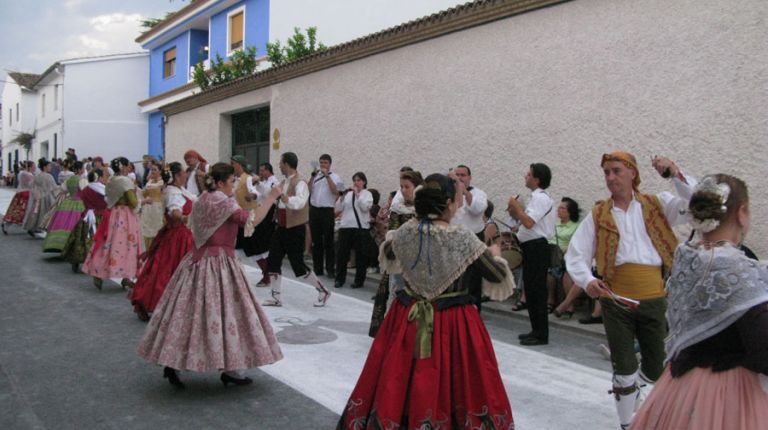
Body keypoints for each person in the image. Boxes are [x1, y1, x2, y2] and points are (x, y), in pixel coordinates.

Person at [337, 173, 515, 429]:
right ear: (449, 204)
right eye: (455, 200)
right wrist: (496, 254)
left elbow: (387, 254)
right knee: (458, 381)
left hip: (407, 318)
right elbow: (498, 275)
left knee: (398, 379)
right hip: (453, 323)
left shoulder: (404, 233)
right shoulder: (462, 238)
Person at [566, 152, 695, 429]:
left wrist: (674, 172)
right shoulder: (599, 213)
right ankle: (627, 423)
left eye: (616, 171)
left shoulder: (657, 204)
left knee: (658, 367)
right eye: (606, 173)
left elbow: (696, 203)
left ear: (633, 173)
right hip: (616, 301)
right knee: (623, 367)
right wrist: (587, 280)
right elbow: (576, 254)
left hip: (655, 298)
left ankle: (634, 388)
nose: (610, 178)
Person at [630, 174, 768, 429]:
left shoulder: (687, 258)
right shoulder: (737, 271)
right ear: (742, 213)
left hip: (678, 388)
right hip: (728, 393)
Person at [137, 162, 283, 389]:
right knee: (229, 314)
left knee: (187, 314)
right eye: (232, 181)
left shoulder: (203, 198)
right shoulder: (223, 201)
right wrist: (272, 197)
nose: (234, 185)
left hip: (196, 260)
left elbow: (193, 223)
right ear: (222, 182)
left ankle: (173, 362)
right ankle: (231, 369)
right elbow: (250, 220)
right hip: (219, 264)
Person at [130, 162, 196, 322]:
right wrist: (189, 218)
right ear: (177, 176)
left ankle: (173, 304)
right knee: (169, 270)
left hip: (178, 234)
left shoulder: (177, 189)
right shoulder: (173, 192)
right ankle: (158, 302)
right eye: (183, 173)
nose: (185, 175)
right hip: (179, 236)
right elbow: (175, 213)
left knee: (164, 269)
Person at [263, 152, 331, 308]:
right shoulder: (284, 182)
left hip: (295, 228)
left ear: (286, 164)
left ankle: (323, 291)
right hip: (281, 227)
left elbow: (299, 203)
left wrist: (284, 198)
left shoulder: (300, 183)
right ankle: (276, 297)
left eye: (281, 163)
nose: (279, 165)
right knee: (273, 260)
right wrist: (258, 189)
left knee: (298, 266)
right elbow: (270, 194)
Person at [368, 169, 423, 337]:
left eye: (407, 186)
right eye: (402, 186)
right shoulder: (397, 209)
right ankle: (390, 333)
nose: (404, 190)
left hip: (417, 262)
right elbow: (391, 233)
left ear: (417, 187)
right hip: (397, 259)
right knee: (394, 295)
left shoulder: (423, 211)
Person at [507, 163, 556, 346]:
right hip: (531, 247)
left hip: (537, 247)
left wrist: (515, 206)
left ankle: (541, 334)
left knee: (537, 291)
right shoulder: (535, 198)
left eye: (529, 174)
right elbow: (527, 223)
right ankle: (535, 329)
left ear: (537, 179)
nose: (525, 176)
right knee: (532, 290)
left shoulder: (540, 198)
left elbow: (529, 222)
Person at [82, 157, 143, 290]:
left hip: (113, 213)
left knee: (109, 243)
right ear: (123, 167)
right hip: (125, 216)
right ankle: (126, 275)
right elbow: (132, 202)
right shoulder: (125, 181)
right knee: (127, 245)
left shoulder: (111, 180)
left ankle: (99, 270)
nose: (128, 169)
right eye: (127, 167)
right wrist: (144, 200)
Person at [61, 167, 109, 273]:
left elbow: (82, 197)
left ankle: (77, 260)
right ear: (99, 177)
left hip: (86, 215)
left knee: (81, 238)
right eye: (103, 177)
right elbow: (108, 202)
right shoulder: (103, 190)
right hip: (99, 216)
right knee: (97, 239)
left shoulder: (86, 189)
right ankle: (95, 261)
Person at [334, 172, 373, 289]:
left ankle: (359, 281)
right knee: (342, 255)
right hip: (346, 226)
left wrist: (357, 194)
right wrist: (341, 197)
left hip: (361, 228)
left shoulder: (367, 194)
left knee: (360, 256)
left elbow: (365, 208)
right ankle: (339, 279)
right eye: (354, 180)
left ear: (364, 182)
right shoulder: (348, 194)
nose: (356, 183)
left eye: (359, 180)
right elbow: (338, 209)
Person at [308, 153, 343, 278]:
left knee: (328, 241)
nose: (322, 165)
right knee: (316, 241)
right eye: (321, 162)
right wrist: (312, 177)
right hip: (314, 210)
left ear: (330, 164)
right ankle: (318, 268)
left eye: (325, 163)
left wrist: (327, 177)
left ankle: (330, 269)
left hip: (327, 211)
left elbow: (338, 192)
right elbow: (308, 190)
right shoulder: (316, 176)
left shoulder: (336, 177)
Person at [42, 161, 86, 253]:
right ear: (79, 169)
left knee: (63, 222)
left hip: (68, 202)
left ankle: (58, 244)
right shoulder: (82, 180)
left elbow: (62, 189)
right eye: (82, 168)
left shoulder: (69, 180)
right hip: (79, 203)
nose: (84, 169)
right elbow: (85, 191)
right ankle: (72, 245)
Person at [549, 197, 581, 318]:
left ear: (569, 212)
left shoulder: (576, 226)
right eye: (559, 207)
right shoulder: (554, 224)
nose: (559, 210)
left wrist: (564, 251)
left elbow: (576, 244)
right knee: (549, 271)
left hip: (566, 256)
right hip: (552, 254)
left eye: (562, 208)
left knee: (567, 275)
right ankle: (550, 301)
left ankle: (569, 305)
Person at [252, 162, 279, 287]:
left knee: (263, 247)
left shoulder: (274, 182)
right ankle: (266, 273)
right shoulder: (264, 182)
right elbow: (259, 197)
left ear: (268, 171)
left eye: (262, 171)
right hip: (260, 213)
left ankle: (268, 274)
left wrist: (258, 183)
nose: (261, 173)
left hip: (268, 216)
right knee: (255, 246)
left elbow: (270, 195)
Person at [22, 159, 58, 235]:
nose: (50, 167)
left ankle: (33, 227)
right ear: (44, 167)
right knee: (48, 213)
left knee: (37, 213)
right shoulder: (49, 176)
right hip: (48, 196)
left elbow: (31, 185)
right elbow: (54, 188)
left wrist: (36, 193)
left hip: (39, 197)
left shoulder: (37, 175)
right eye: (49, 166)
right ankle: (47, 228)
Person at [1, 161, 35, 235]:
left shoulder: (21, 173)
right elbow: (31, 185)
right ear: (30, 167)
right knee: (26, 211)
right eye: (33, 166)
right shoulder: (29, 175)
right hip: (27, 194)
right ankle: (30, 227)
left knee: (16, 210)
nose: (34, 167)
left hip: (20, 193)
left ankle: (7, 223)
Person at [139, 161, 165, 250]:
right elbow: (144, 193)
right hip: (147, 208)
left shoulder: (162, 182)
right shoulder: (149, 181)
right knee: (146, 229)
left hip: (157, 208)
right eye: (151, 170)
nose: (152, 172)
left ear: (160, 171)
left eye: (155, 170)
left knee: (156, 229)